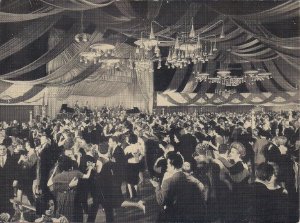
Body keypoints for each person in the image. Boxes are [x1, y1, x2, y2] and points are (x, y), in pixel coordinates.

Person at [150, 152, 206, 222]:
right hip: (189, 215)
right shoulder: (191, 178)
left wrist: (157, 186)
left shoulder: (168, 182)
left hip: (174, 215)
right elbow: (202, 188)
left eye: (168, 164)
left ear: (173, 166)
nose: (167, 166)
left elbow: (161, 201)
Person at [51, 155, 94, 222]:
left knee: (63, 217)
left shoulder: (57, 177)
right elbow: (87, 176)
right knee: (75, 216)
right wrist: (90, 168)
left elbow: (53, 187)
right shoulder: (76, 173)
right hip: (74, 197)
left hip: (62, 199)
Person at [0, 143, 18, 215]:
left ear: (6, 149)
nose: (2, 151)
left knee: (8, 200)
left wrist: (16, 179)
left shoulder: (12, 159)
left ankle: (9, 215)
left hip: (8, 183)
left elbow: (16, 170)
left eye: (3, 149)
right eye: (0, 149)